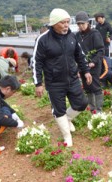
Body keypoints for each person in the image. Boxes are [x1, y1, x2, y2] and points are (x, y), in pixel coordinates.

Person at [32, 8, 92, 147]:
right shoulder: (43, 39)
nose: (66, 25)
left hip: (72, 78)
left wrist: (86, 71)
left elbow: (80, 55)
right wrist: (38, 83)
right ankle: (67, 136)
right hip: (54, 82)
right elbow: (36, 62)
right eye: (63, 23)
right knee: (59, 110)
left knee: (82, 103)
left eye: (67, 22)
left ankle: (68, 119)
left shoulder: (72, 36)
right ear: (54, 23)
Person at [75, 11, 104, 113]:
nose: (81, 26)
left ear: (88, 23)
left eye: (83, 23)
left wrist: (93, 62)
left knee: (95, 86)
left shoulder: (94, 34)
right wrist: (78, 67)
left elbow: (101, 51)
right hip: (83, 66)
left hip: (94, 65)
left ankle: (99, 109)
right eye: (79, 24)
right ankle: (92, 108)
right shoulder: (77, 36)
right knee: (87, 87)